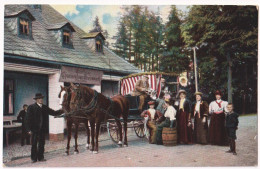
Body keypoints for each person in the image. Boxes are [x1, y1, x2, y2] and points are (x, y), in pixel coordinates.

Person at [25, 93, 63, 163]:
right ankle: (33, 158)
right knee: (34, 144)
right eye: (39, 98)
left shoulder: (45, 107)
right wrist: (28, 129)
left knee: (42, 144)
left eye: (42, 98)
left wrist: (62, 110)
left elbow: (53, 112)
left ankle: (40, 157)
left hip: (42, 130)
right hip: (34, 129)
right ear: (36, 100)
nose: (41, 99)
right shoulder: (31, 107)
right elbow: (27, 119)